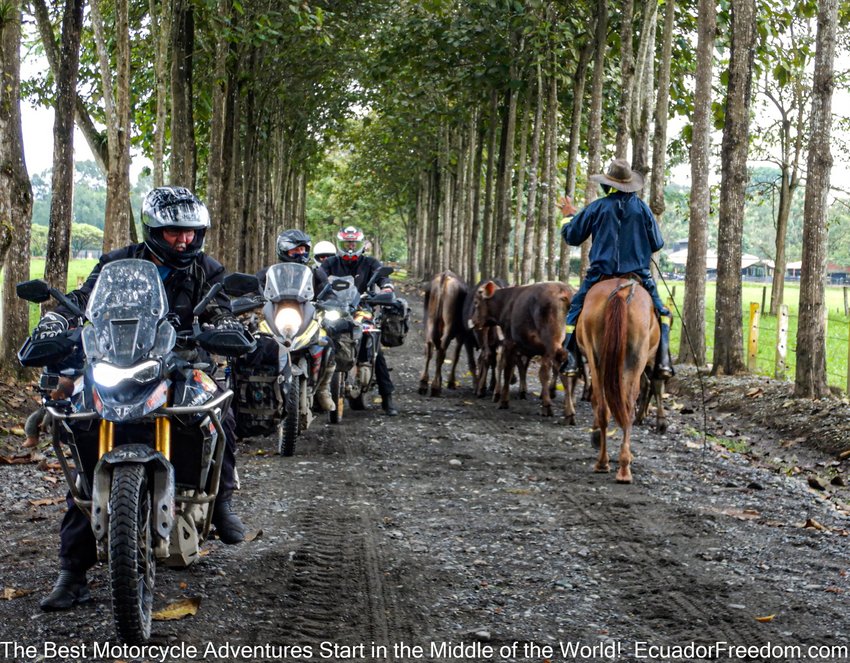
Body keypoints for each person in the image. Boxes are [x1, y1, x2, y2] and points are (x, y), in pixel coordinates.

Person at [31, 186, 247, 611]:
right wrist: (55, 321)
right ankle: (72, 573)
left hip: (182, 359)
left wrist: (224, 325)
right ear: (151, 230)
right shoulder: (118, 263)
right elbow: (81, 301)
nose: (183, 240)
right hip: (119, 360)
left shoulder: (206, 268)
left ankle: (220, 502)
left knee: (219, 410)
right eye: (172, 232)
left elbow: (221, 306)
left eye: (190, 232)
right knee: (82, 436)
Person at [559, 159, 673, 379]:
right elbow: (657, 243)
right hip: (638, 275)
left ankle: (571, 360)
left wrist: (567, 216)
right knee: (662, 312)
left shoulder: (597, 207)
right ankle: (664, 361)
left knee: (574, 310)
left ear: (608, 183)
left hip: (600, 275)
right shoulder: (642, 208)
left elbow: (571, 236)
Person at [315, 225, 399, 416]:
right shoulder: (330, 263)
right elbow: (317, 276)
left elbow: (383, 277)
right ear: (340, 244)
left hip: (362, 309)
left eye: (354, 242)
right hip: (335, 309)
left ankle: (387, 398)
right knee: (319, 340)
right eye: (347, 243)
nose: (351, 246)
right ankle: (314, 392)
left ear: (360, 244)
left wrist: (386, 288)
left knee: (374, 348)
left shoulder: (370, 262)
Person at [254, 229, 336, 412]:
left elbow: (329, 292)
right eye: (295, 250)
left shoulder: (315, 273)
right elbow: (252, 288)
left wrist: (331, 301)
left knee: (327, 342)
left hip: (306, 320)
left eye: (304, 250)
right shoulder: (269, 273)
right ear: (283, 250)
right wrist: (249, 298)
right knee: (254, 343)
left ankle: (323, 389)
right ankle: (255, 390)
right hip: (275, 320)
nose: (301, 254)